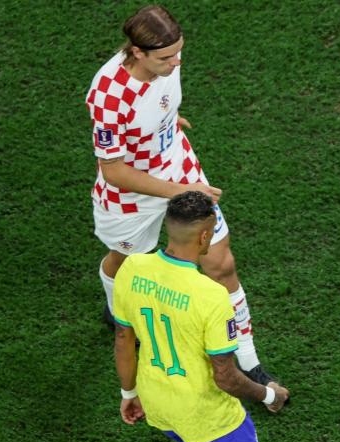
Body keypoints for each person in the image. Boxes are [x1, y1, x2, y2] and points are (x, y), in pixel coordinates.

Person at [113, 191, 309, 442]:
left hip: (158, 402)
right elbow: (225, 376)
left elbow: (123, 337)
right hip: (205, 411)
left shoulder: (133, 268)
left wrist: (129, 392)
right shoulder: (210, 297)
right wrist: (267, 395)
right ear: (205, 237)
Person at [87, 4, 279, 389]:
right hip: (131, 196)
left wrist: (168, 120)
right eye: (165, 57)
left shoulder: (166, 61)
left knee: (221, 264)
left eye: (179, 52)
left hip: (180, 169)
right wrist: (183, 191)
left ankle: (246, 357)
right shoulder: (108, 96)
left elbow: (158, 100)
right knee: (124, 262)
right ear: (137, 52)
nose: (176, 63)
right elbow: (115, 171)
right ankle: (114, 310)